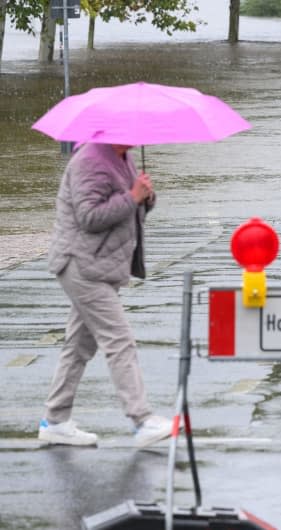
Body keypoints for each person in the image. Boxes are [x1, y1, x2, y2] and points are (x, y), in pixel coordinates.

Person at [38, 142, 172, 448]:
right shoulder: (90, 160)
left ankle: (55, 420)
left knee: (79, 345)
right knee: (119, 339)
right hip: (82, 265)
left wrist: (146, 198)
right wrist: (132, 196)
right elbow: (89, 216)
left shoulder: (122, 157)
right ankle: (142, 420)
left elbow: (128, 208)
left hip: (102, 264)